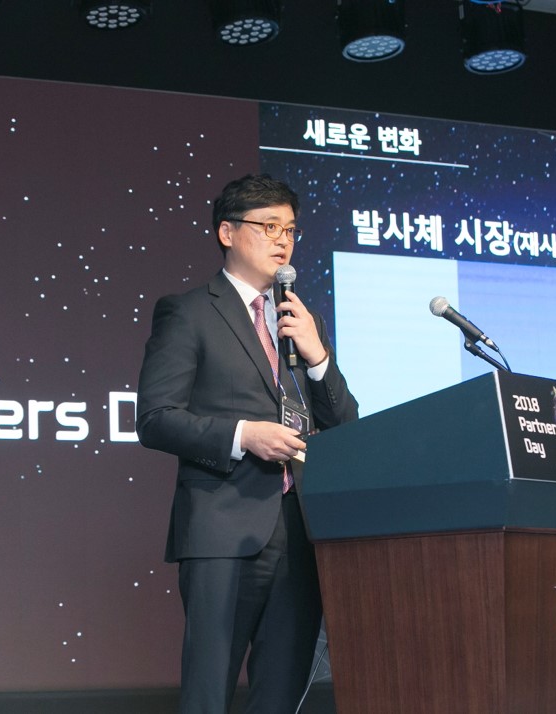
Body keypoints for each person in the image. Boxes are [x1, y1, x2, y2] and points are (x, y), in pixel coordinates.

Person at [136, 174, 359, 713]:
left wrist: (318, 357)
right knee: (209, 691)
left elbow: (345, 423)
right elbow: (156, 419)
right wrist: (243, 435)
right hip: (223, 529)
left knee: (281, 691)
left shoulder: (301, 320)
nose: (283, 241)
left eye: (290, 230)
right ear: (227, 233)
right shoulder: (189, 312)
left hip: (300, 530)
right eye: (268, 227)